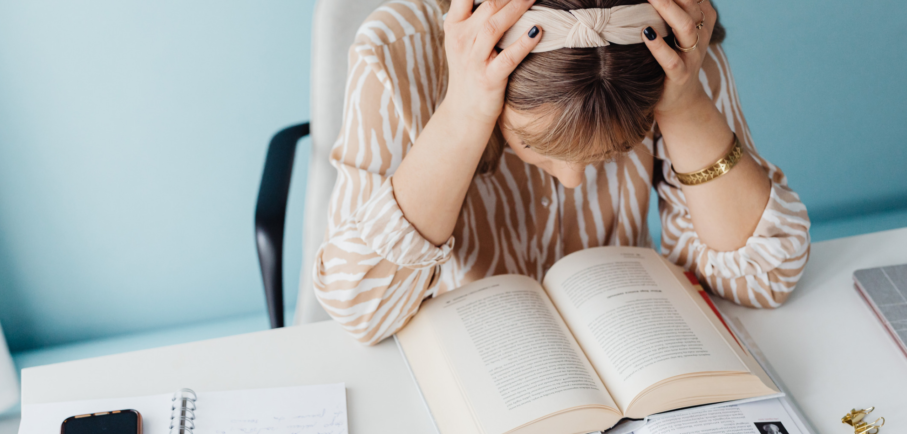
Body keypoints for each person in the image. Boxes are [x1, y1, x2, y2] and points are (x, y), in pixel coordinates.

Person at [314, 0, 810, 344]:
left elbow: (765, 280)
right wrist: (464, 114)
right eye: (530, 142)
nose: (573, 181)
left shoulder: (676, 44)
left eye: (620, 147)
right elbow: (361, 311)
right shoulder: (397, 49)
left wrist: (686, 107)